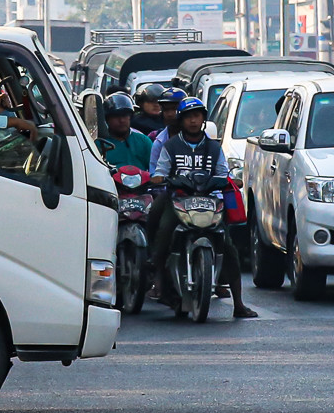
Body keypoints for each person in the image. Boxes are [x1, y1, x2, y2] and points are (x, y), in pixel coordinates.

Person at [148, 97, 257, 319]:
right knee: (164, 234)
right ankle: (156, 275)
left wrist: (226, 180)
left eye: (197, 116)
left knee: (228, 247)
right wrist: (162, 179)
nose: (193, 121)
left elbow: (222, 172)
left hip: (210, 202)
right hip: (178, 201)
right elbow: (160, 172)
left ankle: (239, 303)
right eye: (188, 117)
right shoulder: (170, 146)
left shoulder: (214, 148)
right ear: (182, 119)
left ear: (203, 119)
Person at [97, 92, 152, 171]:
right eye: (116, 116)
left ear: (130, 117)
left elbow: (154, 170)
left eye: (125, 115)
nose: (122, 120)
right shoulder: (99, 144)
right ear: (107, 119)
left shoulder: (144, 141)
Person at [148, 88, 190, 173]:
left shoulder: (201, 139)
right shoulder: (159, 142)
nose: (170, 114)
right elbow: (154, 173)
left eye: (174, 109)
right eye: (166, 110)